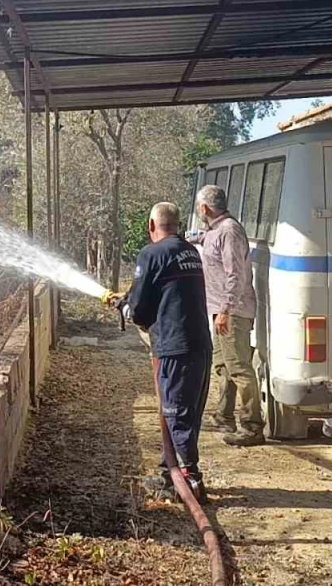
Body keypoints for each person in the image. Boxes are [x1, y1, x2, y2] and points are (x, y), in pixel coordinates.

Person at [115, 201, 214, 501]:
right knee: (188, 412)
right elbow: (170, 292)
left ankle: (189, 477)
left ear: (151, 226)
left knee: (175, 412)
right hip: (200, 344)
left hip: (175, 348)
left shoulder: (151, 253)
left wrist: (126, 308)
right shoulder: (190, 252)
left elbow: (142, 311)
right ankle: (170, 470)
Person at [195, 184, 264, 446]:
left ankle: (252, 426)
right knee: (224, 366)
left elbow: (236, 274)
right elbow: (206, 244)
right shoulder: (215, 231)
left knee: (240, 369)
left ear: (205, 208)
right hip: (220, 311)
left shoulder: (229, 231)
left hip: (232, 311)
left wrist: (225, 310)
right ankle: (224, 415)